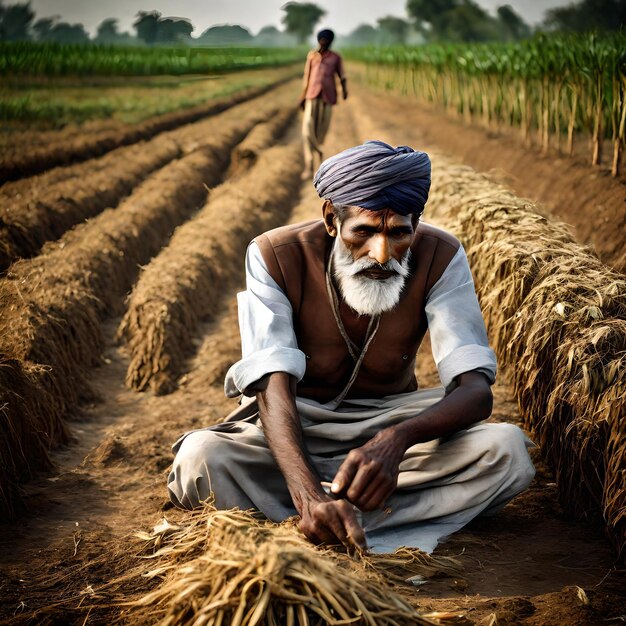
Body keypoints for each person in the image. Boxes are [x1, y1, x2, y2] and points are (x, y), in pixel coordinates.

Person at [167, 141, 535, 554]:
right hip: (296, 423)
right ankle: (335, 514)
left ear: (417, 222)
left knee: (506, 451)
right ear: (330, 218)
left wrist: (395, 441)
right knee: (201, 458)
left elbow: (474, 390)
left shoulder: (440, 255)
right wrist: (310, 495)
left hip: (390, 419)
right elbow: (273, 388)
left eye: (398, 233)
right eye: (364, 232)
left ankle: (312, 521)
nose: (381, 254)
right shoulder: (273, 256)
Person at [300, 28, 347, 179]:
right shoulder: (312, 56)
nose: (324, 41)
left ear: (331, 41)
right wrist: (302, 97)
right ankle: (310, 163)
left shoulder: (335, 57)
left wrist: (344, 90)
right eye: (322, 39)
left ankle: (317, 167)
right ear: (318, 40)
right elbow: (307, 77)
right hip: (311, 96)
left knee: (321, 131)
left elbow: (342, 75)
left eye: (327, 39)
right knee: (307, 129)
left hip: (328, 97)